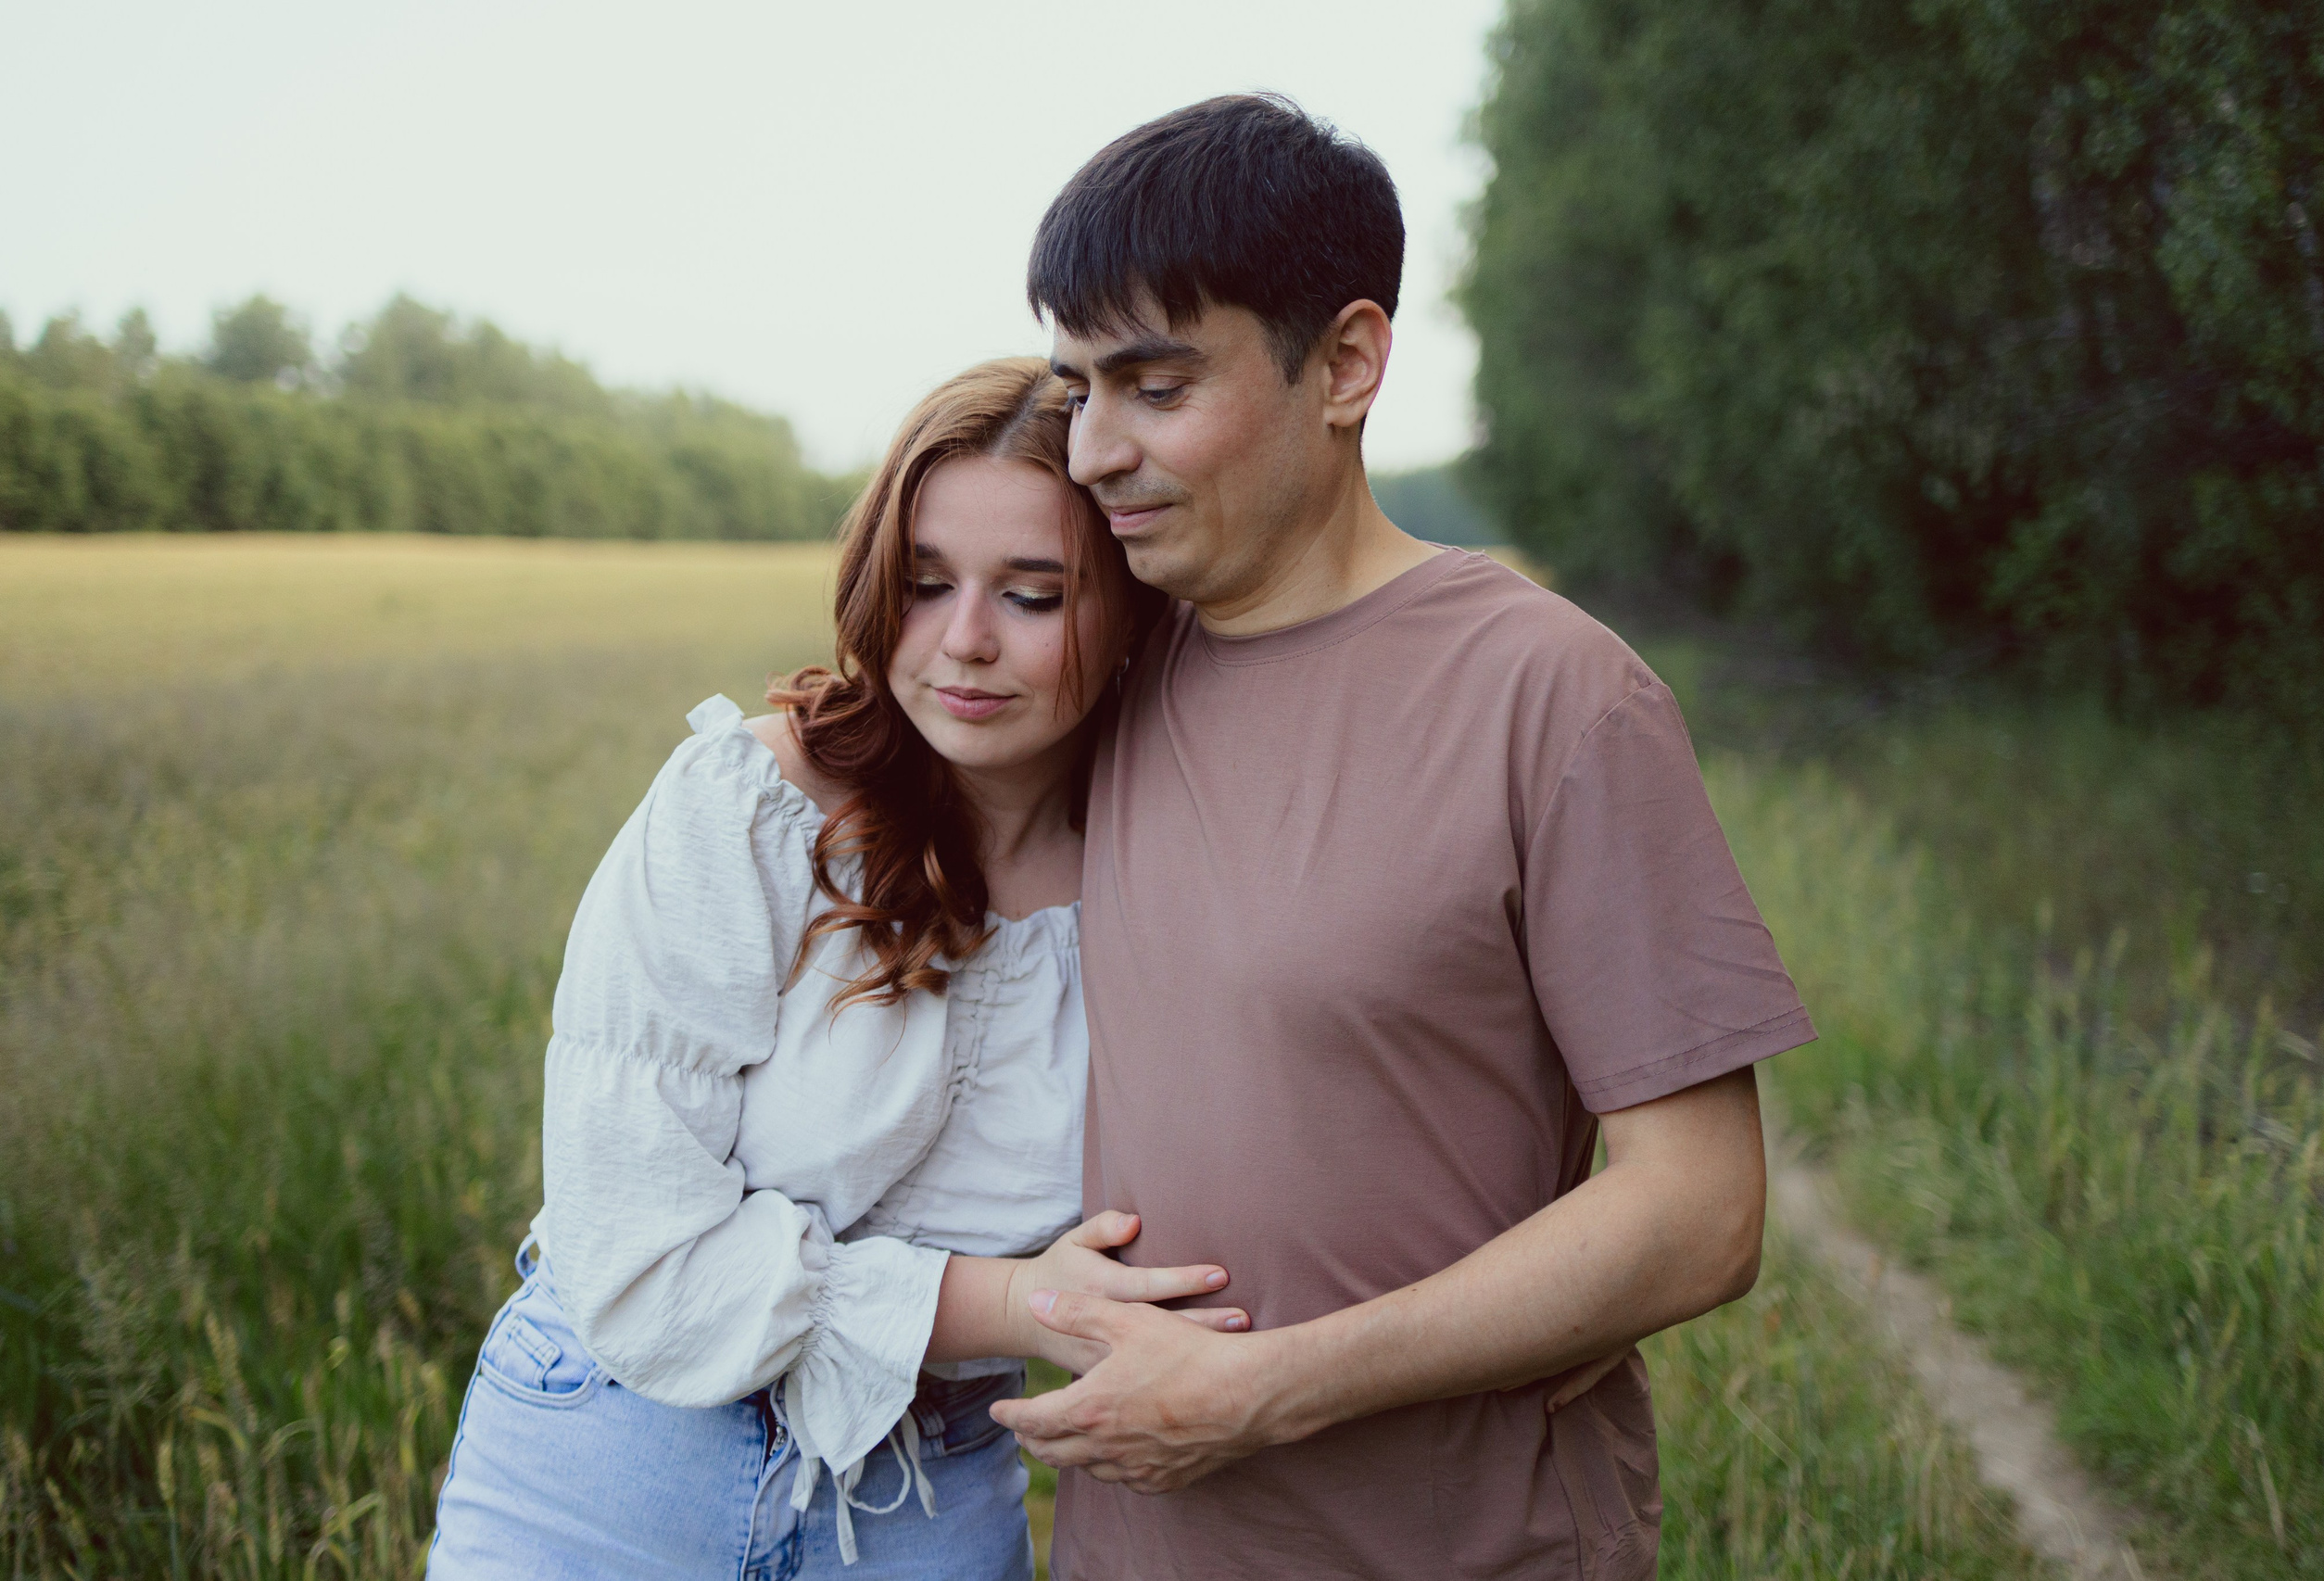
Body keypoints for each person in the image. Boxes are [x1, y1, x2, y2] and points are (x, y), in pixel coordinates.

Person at [991, 95, 1818, 1579]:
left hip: (1462, 1543)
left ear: (1350, 363)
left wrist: (1262, 1391)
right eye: (1077, 388)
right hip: (1140, 1549)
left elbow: (1701, 1208)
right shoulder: (1095, 668)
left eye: (1157, 385)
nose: (1098, 448)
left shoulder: (1552, 692)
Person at [426, 357, 1223, 1580]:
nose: (964, 643)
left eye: (1034, 594)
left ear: (1129, 616)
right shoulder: (747, 812)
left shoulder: (1165, 882)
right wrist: (1020, 1306)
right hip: (619, 1455)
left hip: (928, 1497)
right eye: (925, 584)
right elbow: (639, 1257)